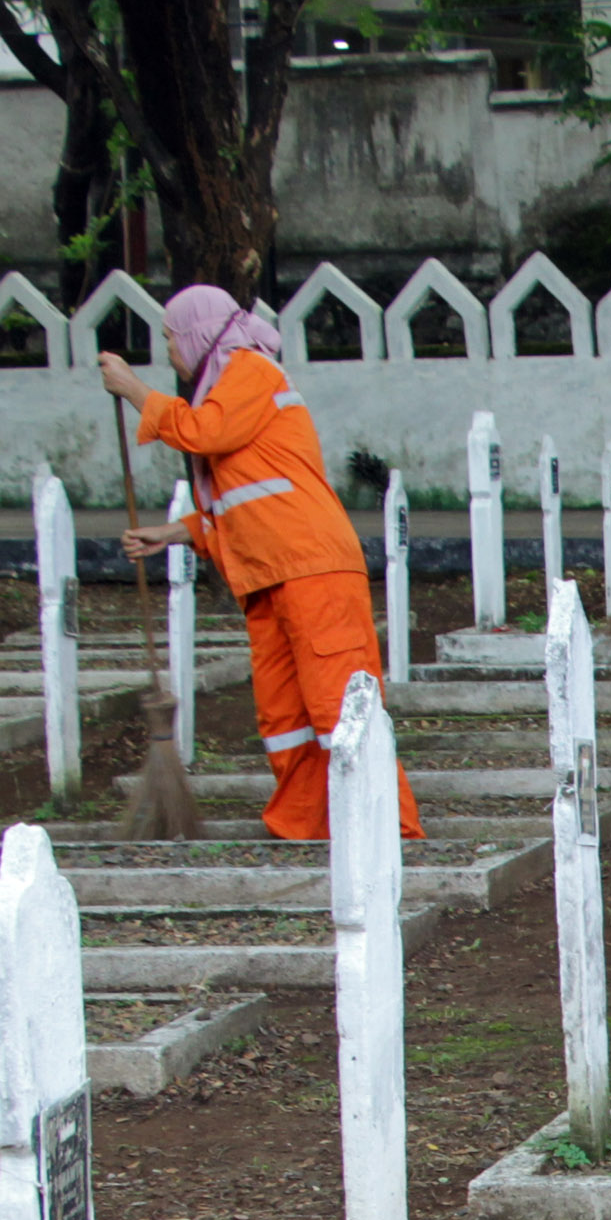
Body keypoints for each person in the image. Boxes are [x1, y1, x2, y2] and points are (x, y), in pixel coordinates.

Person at [99, 287, 421, 842]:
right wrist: (177, 533)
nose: (171, 353)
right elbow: (246, 501)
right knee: (284, 719)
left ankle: (389, 832)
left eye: (172, 339)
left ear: (200, 334)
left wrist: (133, 390)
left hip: (312, 568)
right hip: (269, 575)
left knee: (337, 705)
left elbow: (206, 433)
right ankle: (306, 826)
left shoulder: (251, 371)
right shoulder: (224, 390)